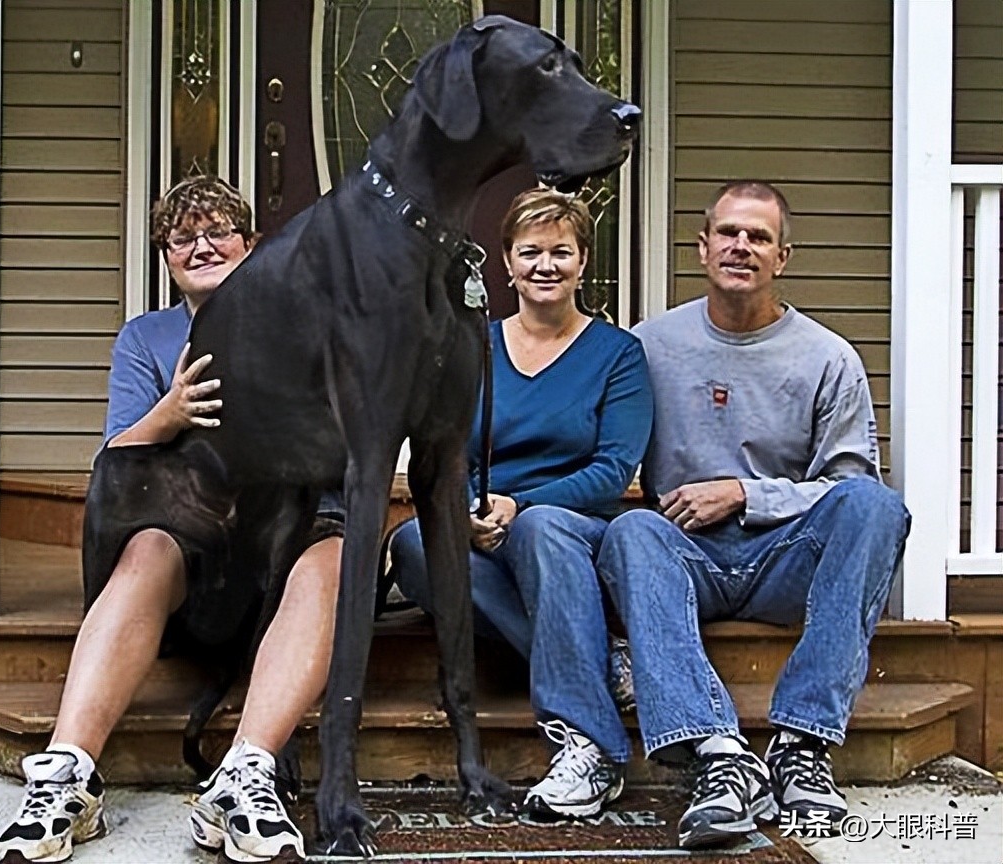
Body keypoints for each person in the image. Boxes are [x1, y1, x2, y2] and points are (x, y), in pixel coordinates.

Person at [0, 176, 342, 863]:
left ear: (251, 245)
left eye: (218, 232)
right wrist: (172, 413)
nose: (202, 246)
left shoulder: (305, 323)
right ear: (166, 256)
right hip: (189, 548)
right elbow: (116, 457)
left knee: (332, 553)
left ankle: (245, 774)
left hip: (285, 537)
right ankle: (67, 775)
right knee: (148, 545)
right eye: (183, 238)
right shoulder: (146, 338)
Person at [596, 181, 911, 849]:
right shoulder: (649, 345)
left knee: (876, 508)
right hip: (685, 556)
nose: (742, 247)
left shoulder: (828, 358)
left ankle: (801, 744)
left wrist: (745, 492)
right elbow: (603, 450)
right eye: (729, 233)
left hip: (782, 560)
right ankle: (718, 755)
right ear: (702, 246)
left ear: (783, 256)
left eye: (759, 237)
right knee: (631, 529)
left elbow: (849, 483)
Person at [387, 188, 653, 820]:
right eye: (529, 251)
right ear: (506, 263)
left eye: (561, 251)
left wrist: (520, 503)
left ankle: (588, 742)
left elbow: (614, 470)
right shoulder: (469, 349)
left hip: (575, 525)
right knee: (412, 545)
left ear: (584, 261)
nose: (545, 264)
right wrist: (465, 513)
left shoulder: (618, 354)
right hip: (486, 522)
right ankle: (600, 664)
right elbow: (443, 455)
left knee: (538, 527)